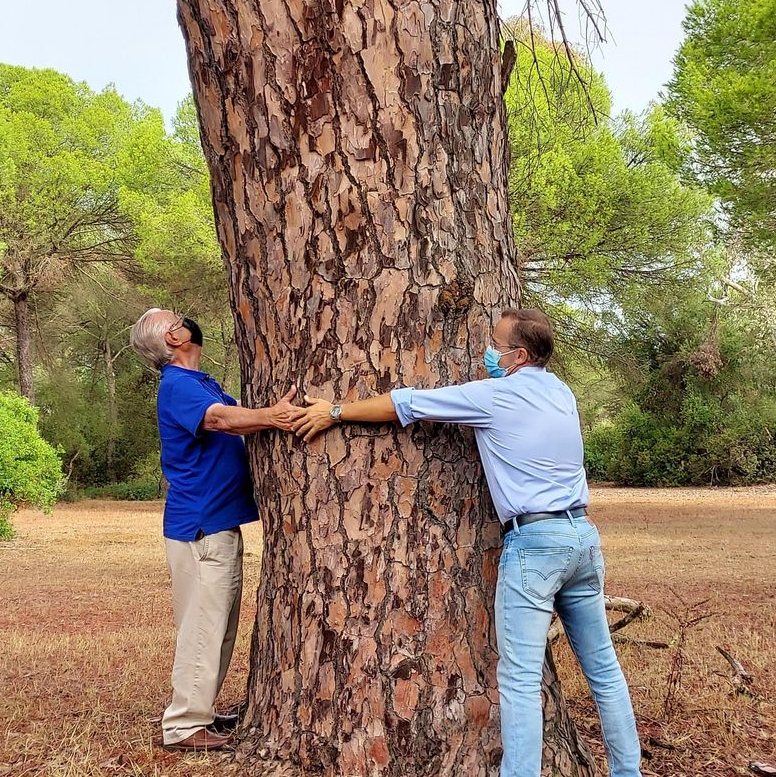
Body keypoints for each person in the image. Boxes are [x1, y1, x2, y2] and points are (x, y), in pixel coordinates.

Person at [288, 308, 642, 777]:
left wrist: (335, 411)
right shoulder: (562, 392)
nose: (488, 352)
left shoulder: (495, 396)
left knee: (520, 680)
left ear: (518, 356)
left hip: (535, 543)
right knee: (604, 671)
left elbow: (406, 403)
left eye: (496, 345)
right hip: (582, 537)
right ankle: (628, 772)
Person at [129, 307, 301, 752]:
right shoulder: (178, 385)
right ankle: (184, 725)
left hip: (217, 522)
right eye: (178, 319)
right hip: (201, 526)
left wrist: (265, 413)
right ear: (173, 338)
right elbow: (221, 420)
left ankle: (200, 711)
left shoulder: (199, 382)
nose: (187, 320)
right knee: (204, 625)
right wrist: (274, 416)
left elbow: (234, 412)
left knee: (219, 625)